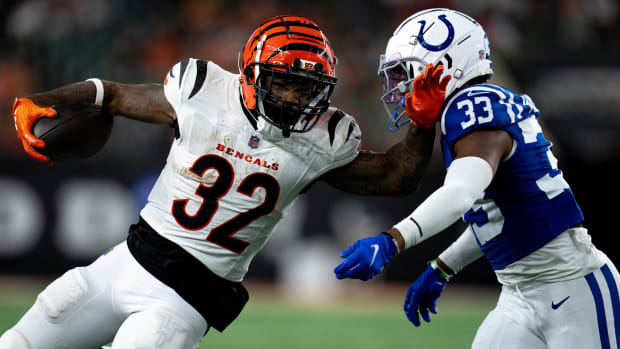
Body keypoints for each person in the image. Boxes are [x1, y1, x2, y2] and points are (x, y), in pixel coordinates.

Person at [1, 15, 439, 349]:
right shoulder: (203, 91)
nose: (295, 98)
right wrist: (44, 102)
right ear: (250, 75)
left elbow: (396, 177)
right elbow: (110, 94)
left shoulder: (324, 139)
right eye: (284, 83)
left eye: (307, 88)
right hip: (125, 260)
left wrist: (422, 123)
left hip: (184, 299)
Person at [334, 8, 620, 349]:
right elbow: (495, 217)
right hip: (519, 294)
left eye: (406, 71)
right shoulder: (473, 107)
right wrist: (442, 267)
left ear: (445, 65)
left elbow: (460, 193)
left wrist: (394, 239)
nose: (401, 86)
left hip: (573, 287)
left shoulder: (473, 105)